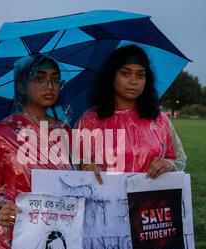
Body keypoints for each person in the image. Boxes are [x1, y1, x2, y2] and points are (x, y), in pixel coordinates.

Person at [0, 54, 73, 249]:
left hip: (59, 242)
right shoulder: (2, 133)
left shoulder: (65, 130)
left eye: (55, 79)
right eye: (39, 79)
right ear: (21, 85)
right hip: (14, 245)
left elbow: (75, 180)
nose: (49, 86)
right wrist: (0, 210)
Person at [76, 45, 186, 181]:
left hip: (150, 198)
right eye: (125, 73)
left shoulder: (159, 119)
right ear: (112, 76)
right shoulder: (89, 120)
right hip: (106, 199)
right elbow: (76, 163)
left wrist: (168, 164)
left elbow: (178, 159)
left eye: (140, 75)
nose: (134, 81)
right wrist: (85, 167)